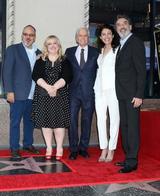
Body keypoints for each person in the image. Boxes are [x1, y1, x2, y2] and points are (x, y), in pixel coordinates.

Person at [2, 25, 41, 158]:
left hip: (33, 94)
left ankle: (28, 144)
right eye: (25, 34)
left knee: (30, 122)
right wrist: (9, 91)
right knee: (15, 122)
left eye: (31, 35)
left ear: (34, 37)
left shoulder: (39, 52)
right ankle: (14, 148)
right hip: (17, 94)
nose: (28, 37)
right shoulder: (13, 49)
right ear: (22, 35)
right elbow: (6, 72)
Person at [32, 35, 72, 160]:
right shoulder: (40, 60)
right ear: (46, 46)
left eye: (55, 43)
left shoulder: (65, 60)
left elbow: (68, 76)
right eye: (50, 43)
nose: (53, 45)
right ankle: (49, 147)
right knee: (46, 122)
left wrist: (54, 87)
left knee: (59, 123)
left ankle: (59, 147)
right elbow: (35, 75)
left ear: (59, 45)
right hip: (43, 95)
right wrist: (48, 88)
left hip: (60, 95)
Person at [115, 15, 146, 173]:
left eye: (124, 23)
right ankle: (128, 157)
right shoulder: (121, 44)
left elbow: (141, 71)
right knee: (125, 126)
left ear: (130, 26)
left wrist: (139, 94)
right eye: (118, 24)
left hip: (133, 95)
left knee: (132, 128)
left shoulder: (135, 42)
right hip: (122, 94)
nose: (122, 26)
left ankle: (132, 161)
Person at [65, 27, 99, 160]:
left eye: (85, 36)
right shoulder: (69, 52)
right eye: (80, 36)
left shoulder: (96, 52)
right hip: (73, 92)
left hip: (89, 92)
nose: (83, 38)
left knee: (87, 121)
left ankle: (83, 148)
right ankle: (73, 148)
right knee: (72, 121)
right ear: (76, 38)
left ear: (88, 38)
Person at [94, 24, 120, 162]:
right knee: (100, 120)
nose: (106, 36)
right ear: (100, 37)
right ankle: (103, 148)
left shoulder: (118, 50)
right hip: (99, 90)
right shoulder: (101, 51)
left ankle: (111, 149)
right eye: (103, 34)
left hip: (114, 90)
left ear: (113, 35)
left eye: (109, 33)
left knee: (114, 120)